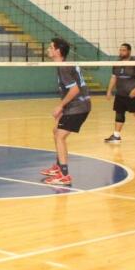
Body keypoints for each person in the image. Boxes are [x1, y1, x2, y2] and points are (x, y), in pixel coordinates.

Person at [40, 37, 91, 187]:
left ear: (58, 51)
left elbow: (75, 89)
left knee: (60, 136)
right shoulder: (63, 65)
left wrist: (60, 106)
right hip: (75, 106)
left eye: (51, 47)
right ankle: (58, 167)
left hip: (78, 106)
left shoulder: (64, 67)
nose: (48, 49)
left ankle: (64, 175)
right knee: (56, 131)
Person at [104, 43, 135, 146]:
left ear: (129, 51)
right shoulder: (117, 63)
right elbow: (114, 77)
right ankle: (116, 136)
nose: (121, 52)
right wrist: (109, 90)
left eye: (123, 50)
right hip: (120, 94)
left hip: (134, 95)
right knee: (119, 114)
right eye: (120, 50)